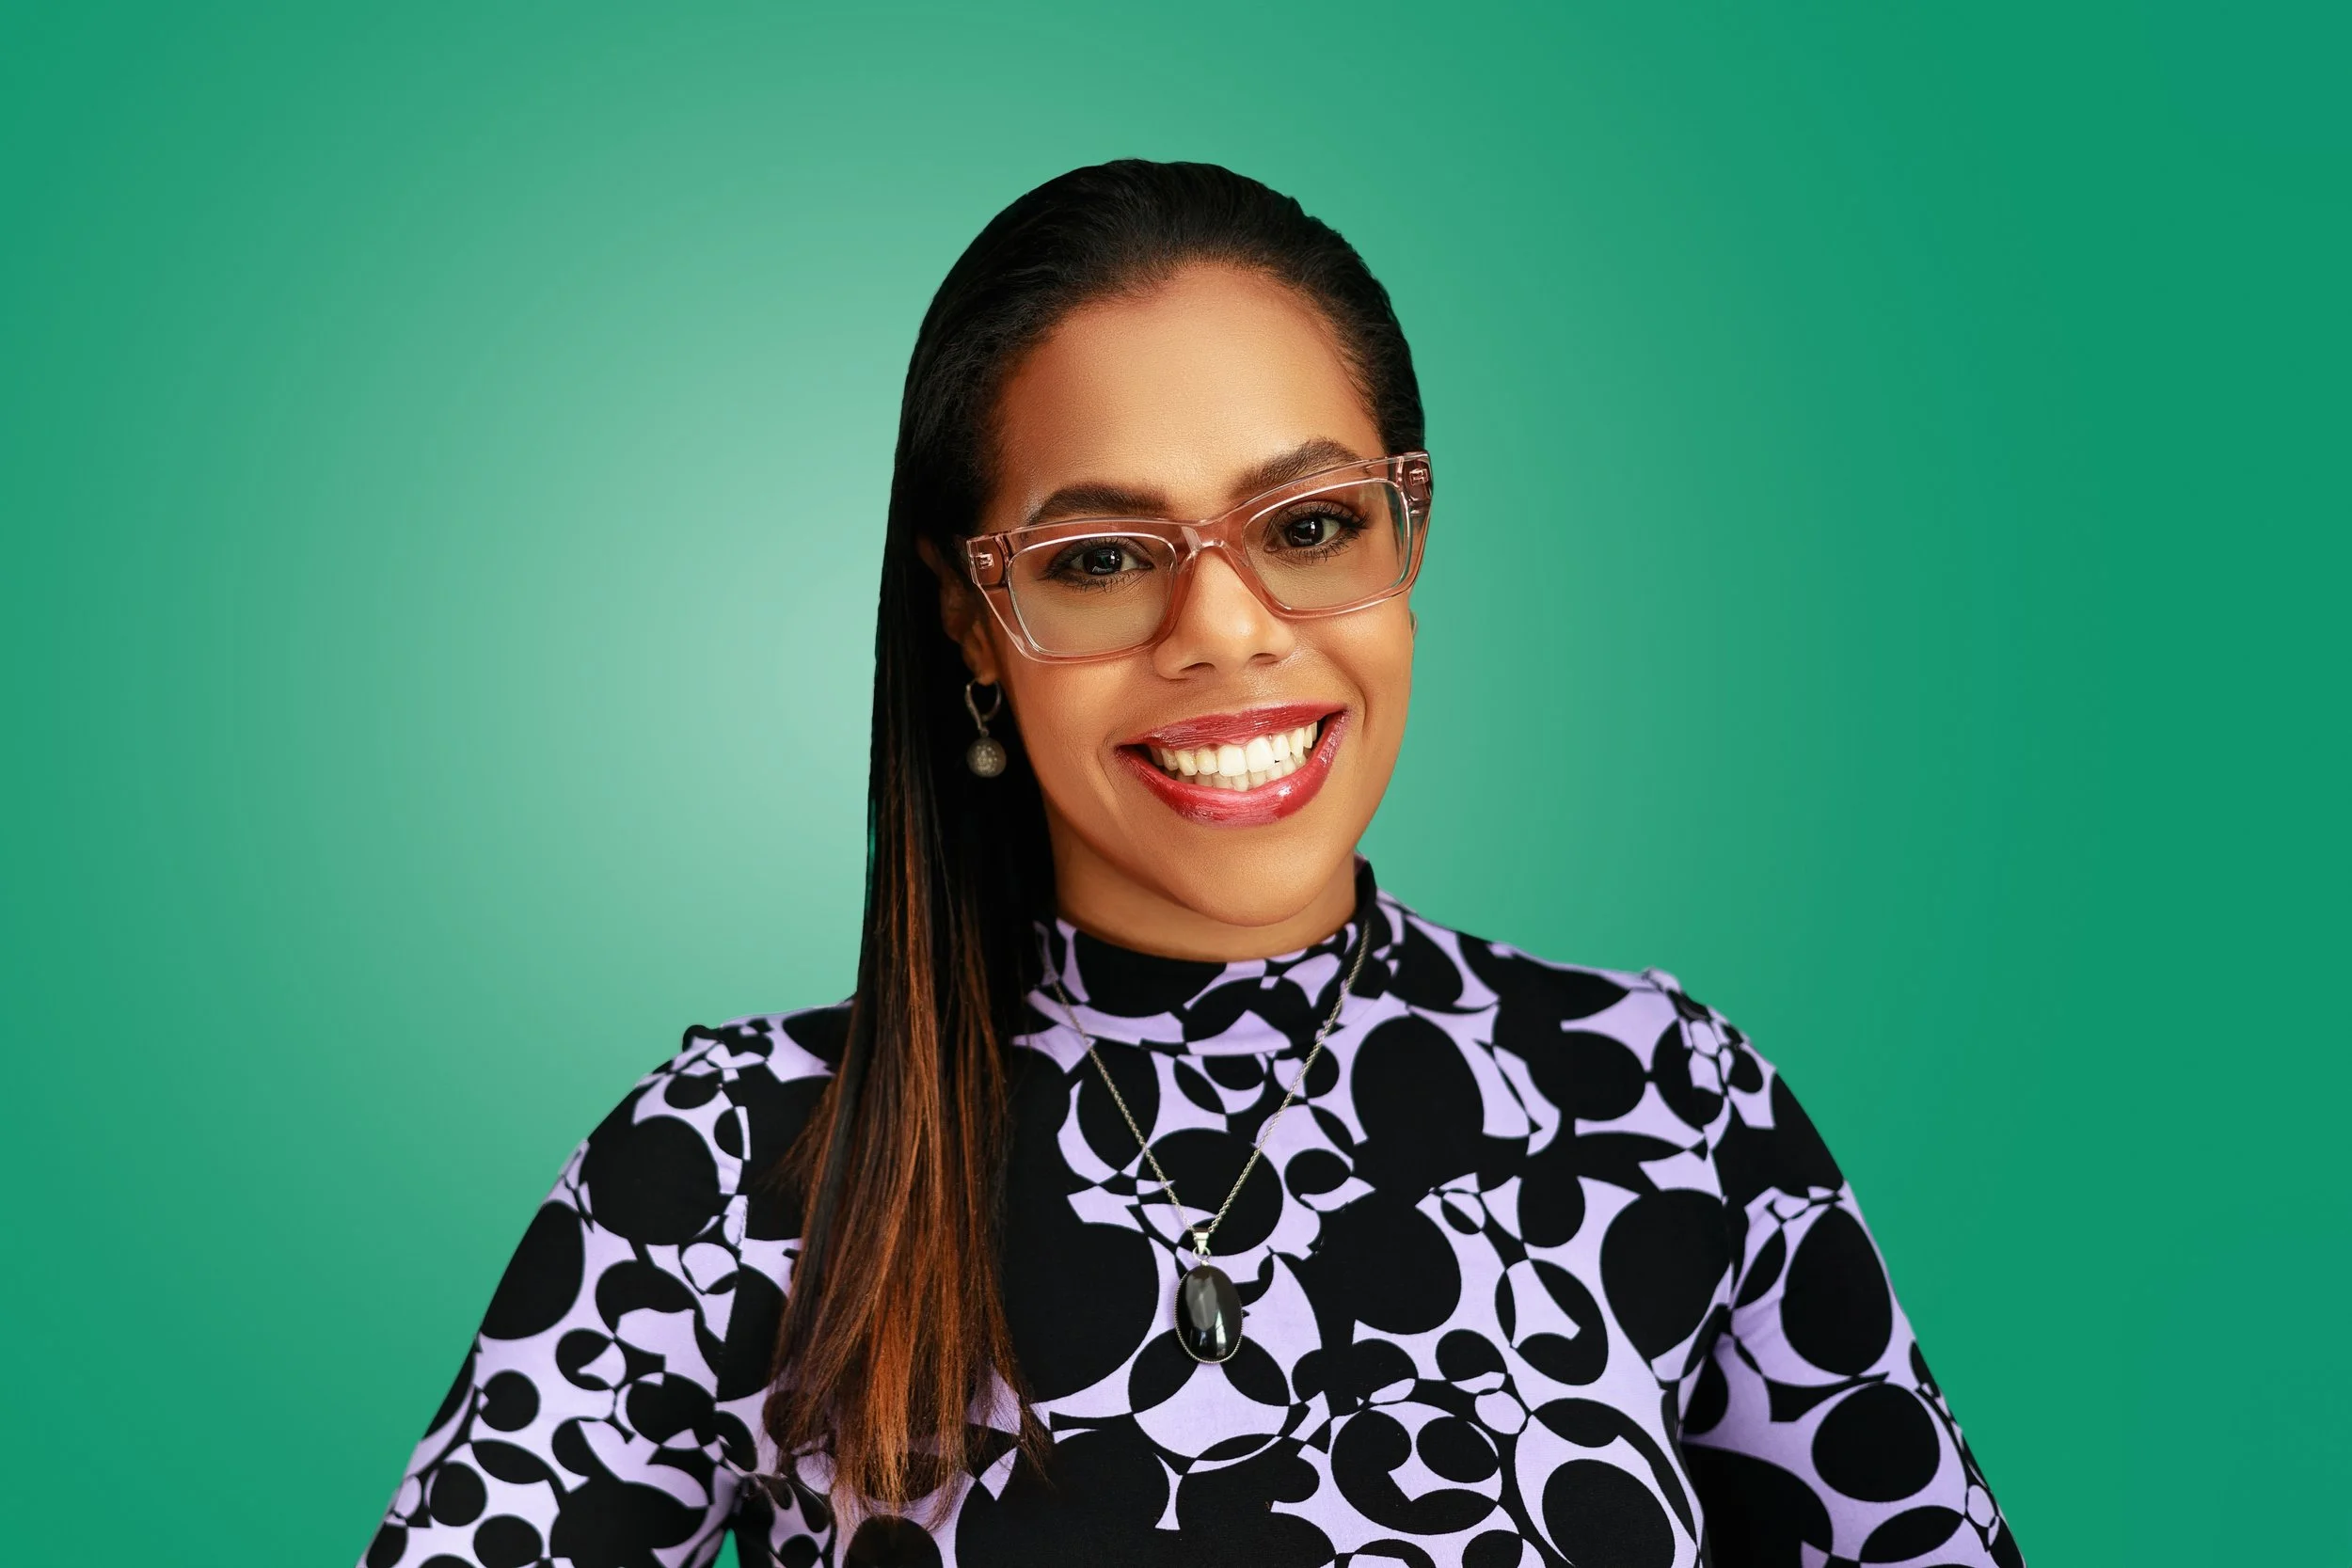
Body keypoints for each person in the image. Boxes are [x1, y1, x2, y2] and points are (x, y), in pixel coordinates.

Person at [360, 160, 2021, 1568]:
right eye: (1100, 559)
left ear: (1404, 536)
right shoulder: (731, 1165)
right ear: (974, 621)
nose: (1224, 633)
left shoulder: (1664, 1103)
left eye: (1311, 526)